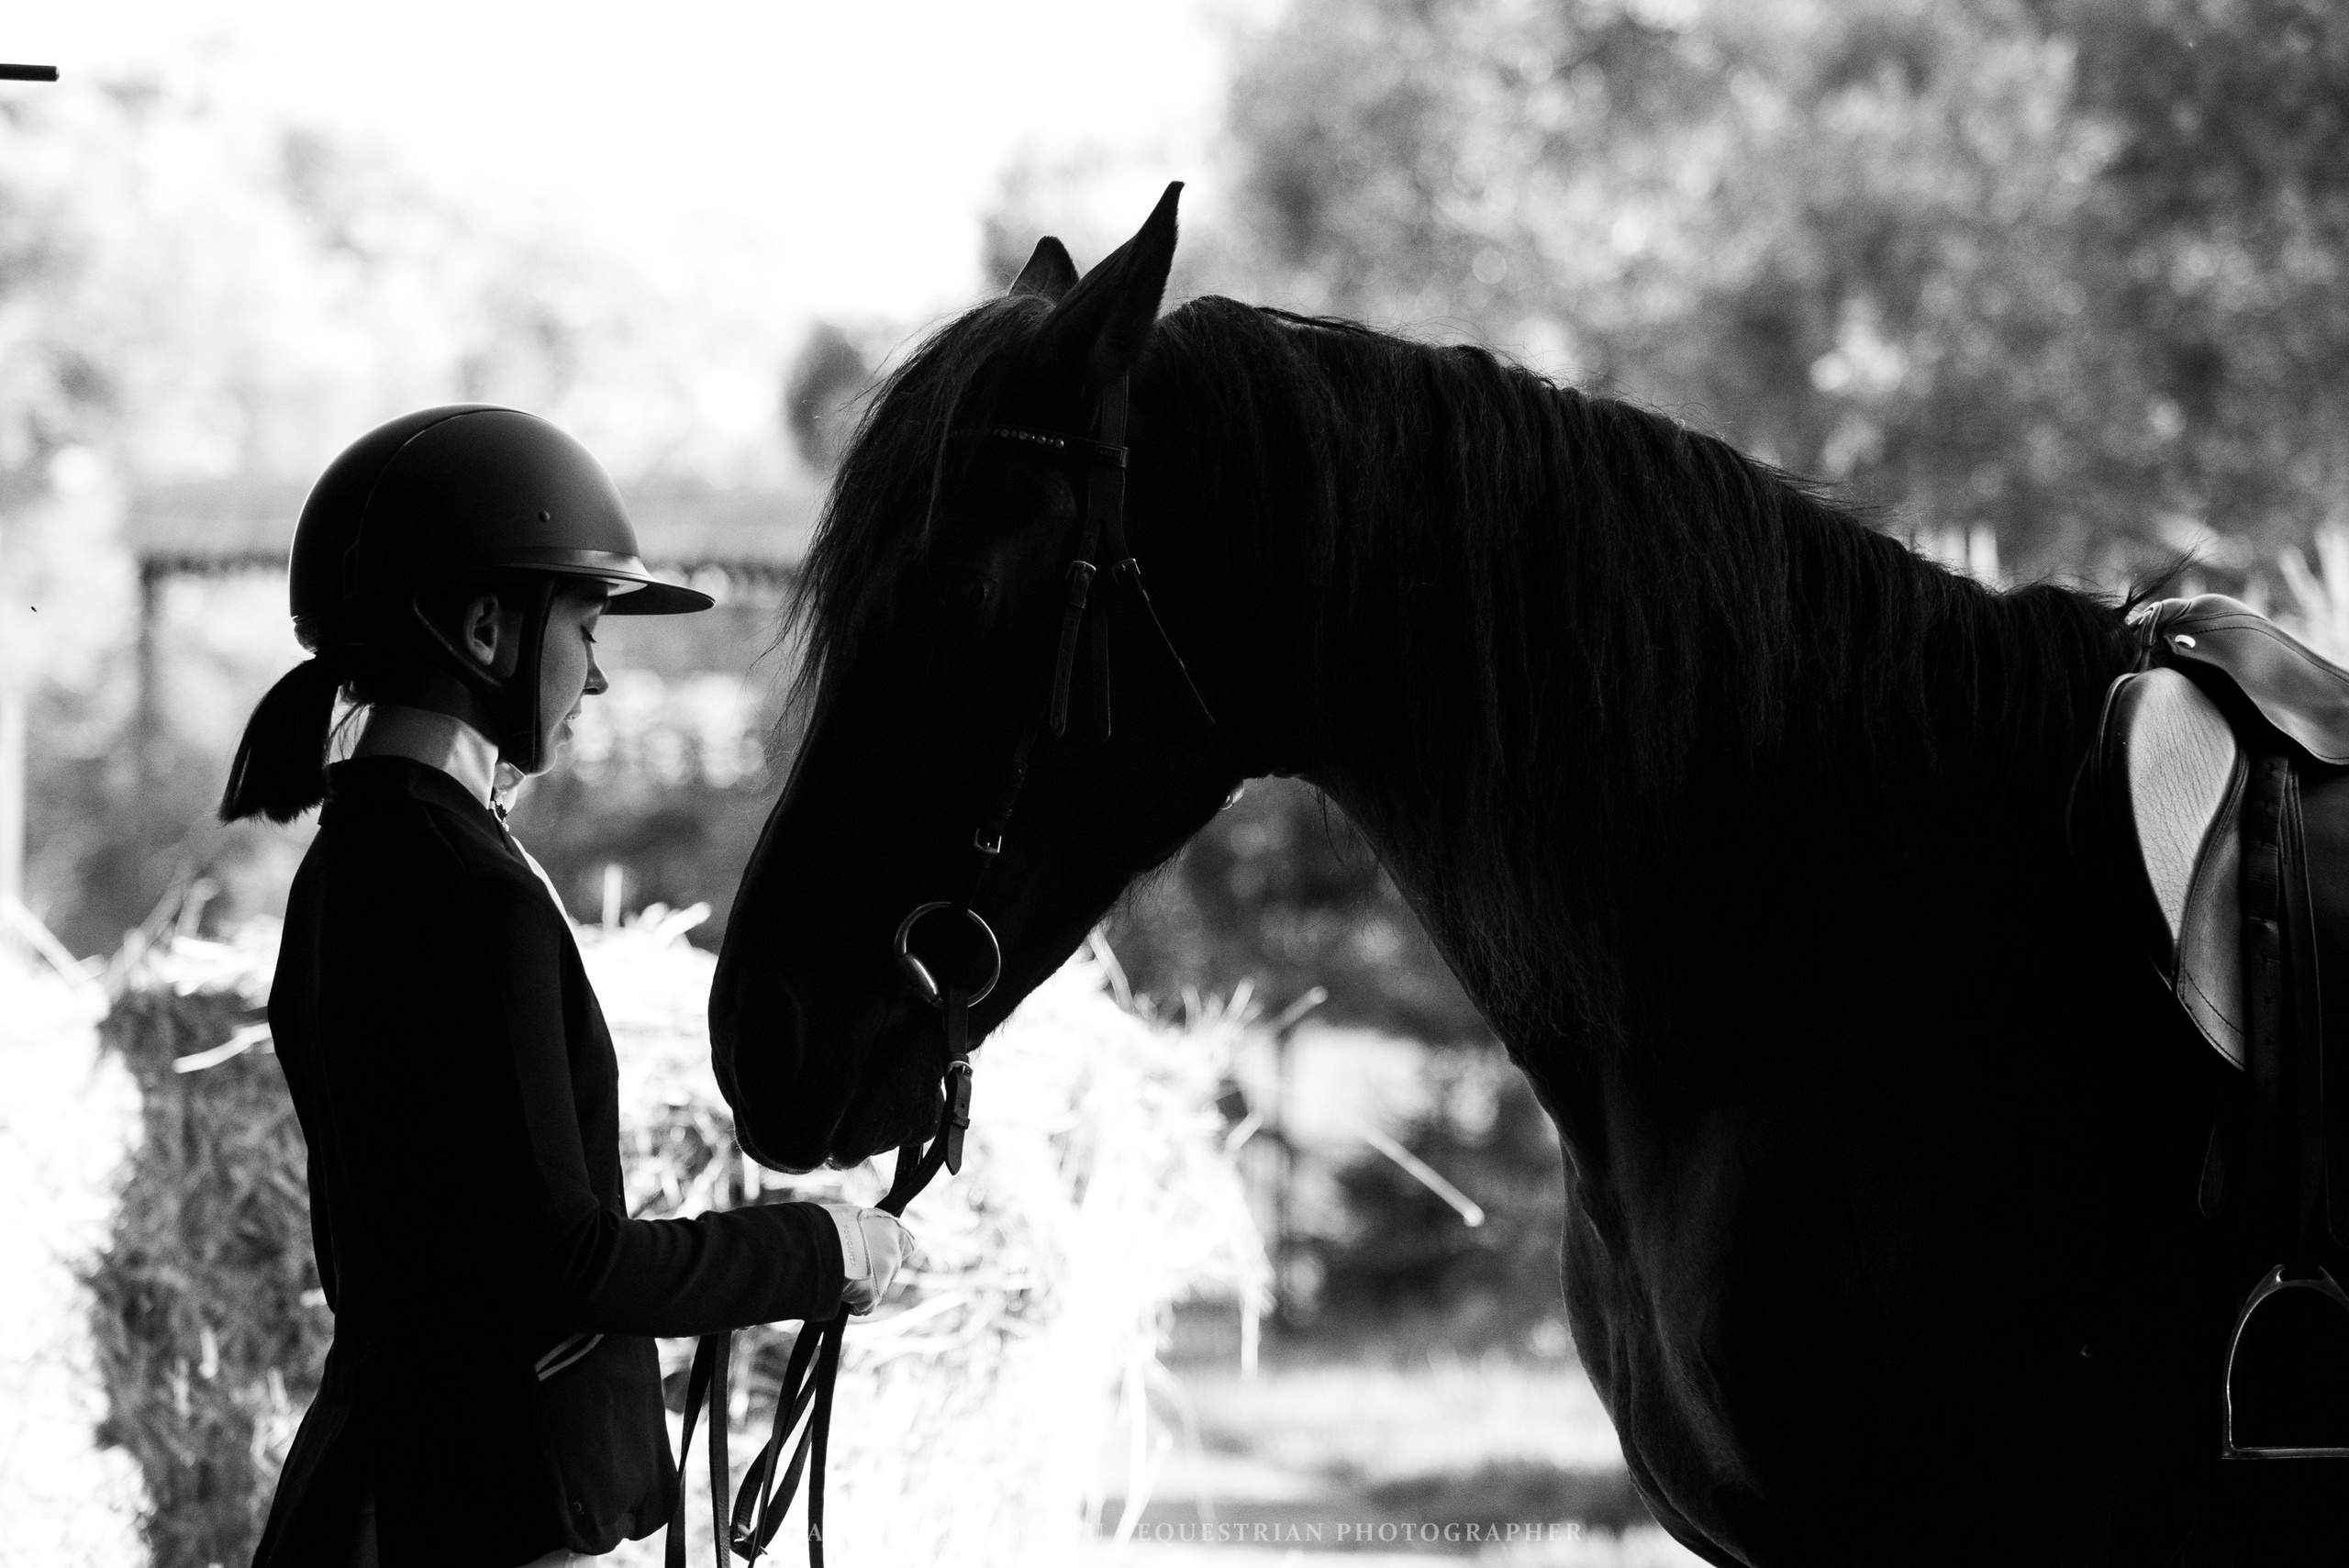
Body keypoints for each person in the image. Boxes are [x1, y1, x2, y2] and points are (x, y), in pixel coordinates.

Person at [225, 406, 906, 1568]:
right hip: (485, 1512)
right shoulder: (462, 891)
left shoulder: (356, 861)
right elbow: (560, 1263)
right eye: (585, 626)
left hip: (404, 1483)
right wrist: (820, 1248)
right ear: (488, 627)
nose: (593, 675)